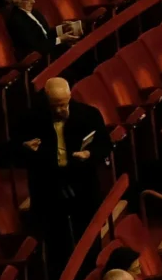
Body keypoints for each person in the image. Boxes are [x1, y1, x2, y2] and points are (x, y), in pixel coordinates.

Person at [6, 77, 108, 239]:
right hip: (48, 188)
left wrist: (89, 154)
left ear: (69, 96)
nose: (60, 110)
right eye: (55, 105)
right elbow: (13, 152)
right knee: (56, 242)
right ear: (46, 99)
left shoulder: (88, 115)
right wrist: (25, 147)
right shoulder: (30, 119)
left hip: (82, 184)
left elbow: (104, 144)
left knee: (88, 239)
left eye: (64, 104)